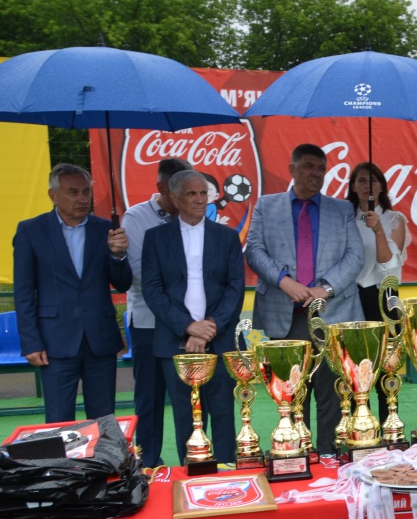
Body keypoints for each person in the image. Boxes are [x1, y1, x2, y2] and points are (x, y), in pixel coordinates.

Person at [244, 143, 364, 456]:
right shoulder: (265, 206)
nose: (316, 174)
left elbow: (355, 256)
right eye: (309, 166)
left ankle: (326, 454)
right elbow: (254, 250)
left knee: (332, 391)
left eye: (321, 168)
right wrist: (284, 282)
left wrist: (324, 289)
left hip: (332, 314)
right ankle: (295, 455)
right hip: (284, 317)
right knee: (292, 394)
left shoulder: (342, 209)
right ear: (292, 169)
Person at [12, 163, 132, 423]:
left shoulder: (106, 230)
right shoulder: (31, 231)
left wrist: (118, 255)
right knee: (58, 420)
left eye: (86, 192)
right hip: (53, 342)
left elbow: (123, 284)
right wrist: (31, 342)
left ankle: (103, 465)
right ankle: (59, 465)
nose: (82, 199)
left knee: (103, 421)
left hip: (99, 339)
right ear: (52, 195)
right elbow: (23, 293)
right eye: (73, 192)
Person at [141, 170, 245, 464]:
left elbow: (235, 287)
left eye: (203, 193)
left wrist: (209, 328)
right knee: (185, 415)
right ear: (175, 198)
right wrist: (188, 328)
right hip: (174, 343)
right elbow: (152, 290)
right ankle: (191, 476)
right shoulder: (156, 238)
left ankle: (226, 472)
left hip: (219, 337)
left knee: (223, 412)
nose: (200, 200)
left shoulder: (226, 237)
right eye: (191, 194)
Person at [122, 157, 194, 466]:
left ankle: (192, 460)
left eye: (191, 191)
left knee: (187, 402)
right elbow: (141, 274)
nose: (186, 197)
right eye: (180, 191)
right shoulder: (135, 218)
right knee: (149, 400)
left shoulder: (194, 218)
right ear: (162, 188)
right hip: (149, 325)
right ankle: (148, 464)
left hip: (187, 327)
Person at [346, 161, 409, 425]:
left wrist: (378, 229)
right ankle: (358, 429)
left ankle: (390, 428)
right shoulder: (344, 217)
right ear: (352, 186)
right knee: (353, 371)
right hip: (350, 298)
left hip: (383, 296)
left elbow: (389, 267)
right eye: (360, 180)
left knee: (386, 369)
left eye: (372, 180)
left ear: (381, 186)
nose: (366, 185)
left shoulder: (395, 219)